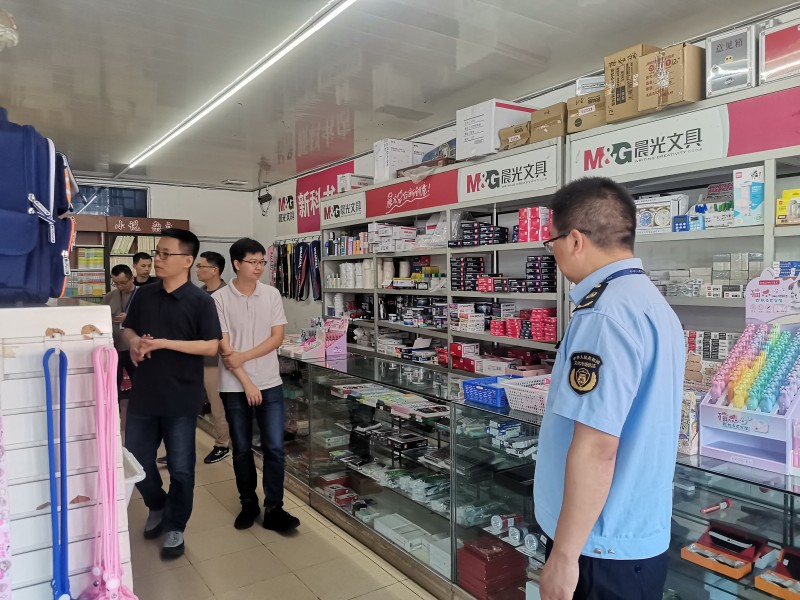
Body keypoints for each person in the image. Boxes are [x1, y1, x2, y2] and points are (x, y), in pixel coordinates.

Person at [533, 177, 684, 600]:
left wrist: (564, 557)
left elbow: (598, 447)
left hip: (597, 545)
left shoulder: (604, 315)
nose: (553, 253)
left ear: (575, 240)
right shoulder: (650, 303)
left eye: (552, 242)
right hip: (633, 536)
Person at [122, 229, 222, 559]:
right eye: (157, 253)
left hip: (181, 396)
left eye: (166, 254)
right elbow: (128, 328)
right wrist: (134, 342)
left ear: (187, 260)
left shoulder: (201, 301)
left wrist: (165, 343)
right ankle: (157, 504)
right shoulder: (145, 295)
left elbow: (210, 345)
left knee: (181, 469)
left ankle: (176, 524)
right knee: (136, 460)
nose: (158, 260)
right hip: (144, 394)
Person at [214, 237, 300, 532]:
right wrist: (248, 383)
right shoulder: (219, 299)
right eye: (253, 262)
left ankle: (274, 508)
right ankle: (248, 503)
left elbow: (277, 338)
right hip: (234, 385)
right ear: (237, 264)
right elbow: (226, 350)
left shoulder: (271, 294)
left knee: (275, 447)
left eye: (262, 262)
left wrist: (245, 357)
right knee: (241, 448)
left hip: (270, 381)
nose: (259, 267)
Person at [196, 251, 231, 464]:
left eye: (201, 266)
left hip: (215, 359)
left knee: (217, 404)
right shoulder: (198, 294)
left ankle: (222, 444)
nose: (197, 270)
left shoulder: (227, 295)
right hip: (194, 356)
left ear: (214, 270)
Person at [101, 264, 137, 437]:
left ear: (132, 279)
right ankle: (113, 423)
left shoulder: (142, 296)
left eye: (123, 282)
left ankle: (137, 421)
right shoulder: (110, 297)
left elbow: (150, 319)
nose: (120, 286)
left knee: (139, 385)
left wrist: (130, 317)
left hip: (134, 349)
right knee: (112, 386)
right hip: (114, 349)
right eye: (116, 283)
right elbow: (100, 318)